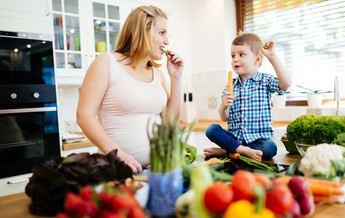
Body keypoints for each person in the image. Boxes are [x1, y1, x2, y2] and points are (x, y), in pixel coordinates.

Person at [76, 6, 184, 173]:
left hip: (157, 170)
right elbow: (84, 116)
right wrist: (117, 153)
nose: (167, 41)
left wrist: (176, 79)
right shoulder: (106, 63)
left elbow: (170, 123)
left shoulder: (157, 72)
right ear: (142, 31)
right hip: (118, 170)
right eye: (161, 33)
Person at [204, 32, 292, 161]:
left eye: (241, 54)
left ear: (257, 59)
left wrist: (272, 57)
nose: (235, 59)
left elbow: (286, 84)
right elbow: (224, 118)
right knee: (211, 129)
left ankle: (227, 151)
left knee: (270, 147)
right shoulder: (230, 86)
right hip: (235, 137)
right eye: (233, 56)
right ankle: (241, 150)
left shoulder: (265, 80)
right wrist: (224, 106)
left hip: (258, 140)